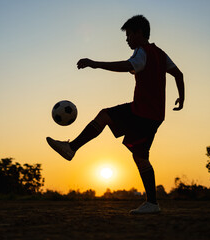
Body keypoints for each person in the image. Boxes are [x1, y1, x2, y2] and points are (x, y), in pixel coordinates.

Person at [47, 15, 185, 214]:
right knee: (140, 157)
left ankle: (71, 148)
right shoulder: (161, 54)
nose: (127, 39)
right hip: (155, 116)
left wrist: (95, 63)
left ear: (139, 33)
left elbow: (127, 65)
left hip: (142, 111)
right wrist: (182, 98)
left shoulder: (142, 51)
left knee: (105, 115)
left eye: (129, 34)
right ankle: (152, 203)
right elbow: (178, 74)